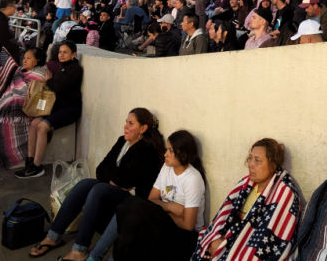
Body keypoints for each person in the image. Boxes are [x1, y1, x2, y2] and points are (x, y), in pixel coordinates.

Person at [29, 108, 164, 260]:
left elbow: (126, 179)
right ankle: (53, 236)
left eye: (131, 123)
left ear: (143, 128)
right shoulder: (122, 141)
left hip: (133, 199)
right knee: (85, 184)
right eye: (126, 122)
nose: (125, 126)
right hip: (118, 190)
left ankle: (80, 249)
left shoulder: (146, 150)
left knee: (99, 189)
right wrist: (115, 179)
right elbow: (101, 170)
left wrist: (115, 178)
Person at [192, 138, 301, 260]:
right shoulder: (246, 184)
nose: (250, 164)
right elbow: (225, 218)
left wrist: (224, 245)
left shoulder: (284, 193)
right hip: (231, 237)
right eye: (250, 158)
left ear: (273, 165)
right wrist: (216, 239)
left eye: (257, 160)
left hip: (247, 249)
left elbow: (268, 236)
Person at [108, 130, 206, 261]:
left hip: (186, 238)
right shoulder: (167, 168)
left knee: (135, 212)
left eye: (170, 151)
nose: (165, 154)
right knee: (130, 209)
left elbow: (188, 225)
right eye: (167, 149)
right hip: (167, 222)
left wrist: (159, 212)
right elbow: (152, 199)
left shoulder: (192, 178)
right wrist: (170, 207)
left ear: (182, 154)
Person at [16, 40, 83, 178]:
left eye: (65, 52)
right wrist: (51, 81)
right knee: (34, 123)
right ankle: (29, 161)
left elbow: (59, 86)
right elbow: (55, 85)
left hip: (70, 109)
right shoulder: (61, 67)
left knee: (42, 127)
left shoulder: (75, 69)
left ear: (73, 54)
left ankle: (37, 166)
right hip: (58, 107)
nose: (61, 55)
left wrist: (49, 80)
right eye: (60, 52)